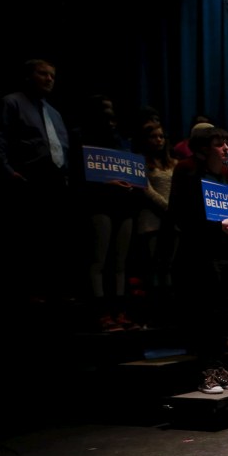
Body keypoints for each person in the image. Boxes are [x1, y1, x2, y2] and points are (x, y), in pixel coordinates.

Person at [168, 125, 228, 394]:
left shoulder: (224, 174)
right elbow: (180, 215)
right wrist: (218, 226)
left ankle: (219, 368)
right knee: (202, 317)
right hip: (196, 256)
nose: (227, 148)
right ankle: (205, 373)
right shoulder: (186, 169)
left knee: (220, 316)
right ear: (203, 148)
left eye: (227, 142)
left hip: (223, 254)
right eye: (220, 144)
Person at [0, 58, 78, 304]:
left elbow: (62, 148)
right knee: (30, 243)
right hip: (28, 181)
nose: (49, 79)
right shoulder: (11, 102)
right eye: (43, 74)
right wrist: (7, 171)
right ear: (28, 77)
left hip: (56, 184)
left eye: (52, 75)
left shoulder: (54, 112)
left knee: (56, 243)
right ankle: (31, 295)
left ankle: (55, 293)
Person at [77, 94, 141, 331]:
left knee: (120, 262)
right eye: (105, 110)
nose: (110, 115)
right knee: (98, 260)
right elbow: (81, 176)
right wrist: (106, 183)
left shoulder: (120, 141)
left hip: (123, 206)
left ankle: (120, 311)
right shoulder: (82, 138)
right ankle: (101, 312)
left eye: (111, 110)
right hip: (99, 204)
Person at [133, 121, 179, 322]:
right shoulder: (140, 163)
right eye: (154, 136)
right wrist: (168, 208)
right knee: (153, 266)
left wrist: (175, 211)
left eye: (161, 136)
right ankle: (153, 314)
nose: (158, 140)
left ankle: (168, 312)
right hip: (152, 220)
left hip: (173, 221)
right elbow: (146, 190)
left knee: (169, 267)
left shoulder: (174, 163)